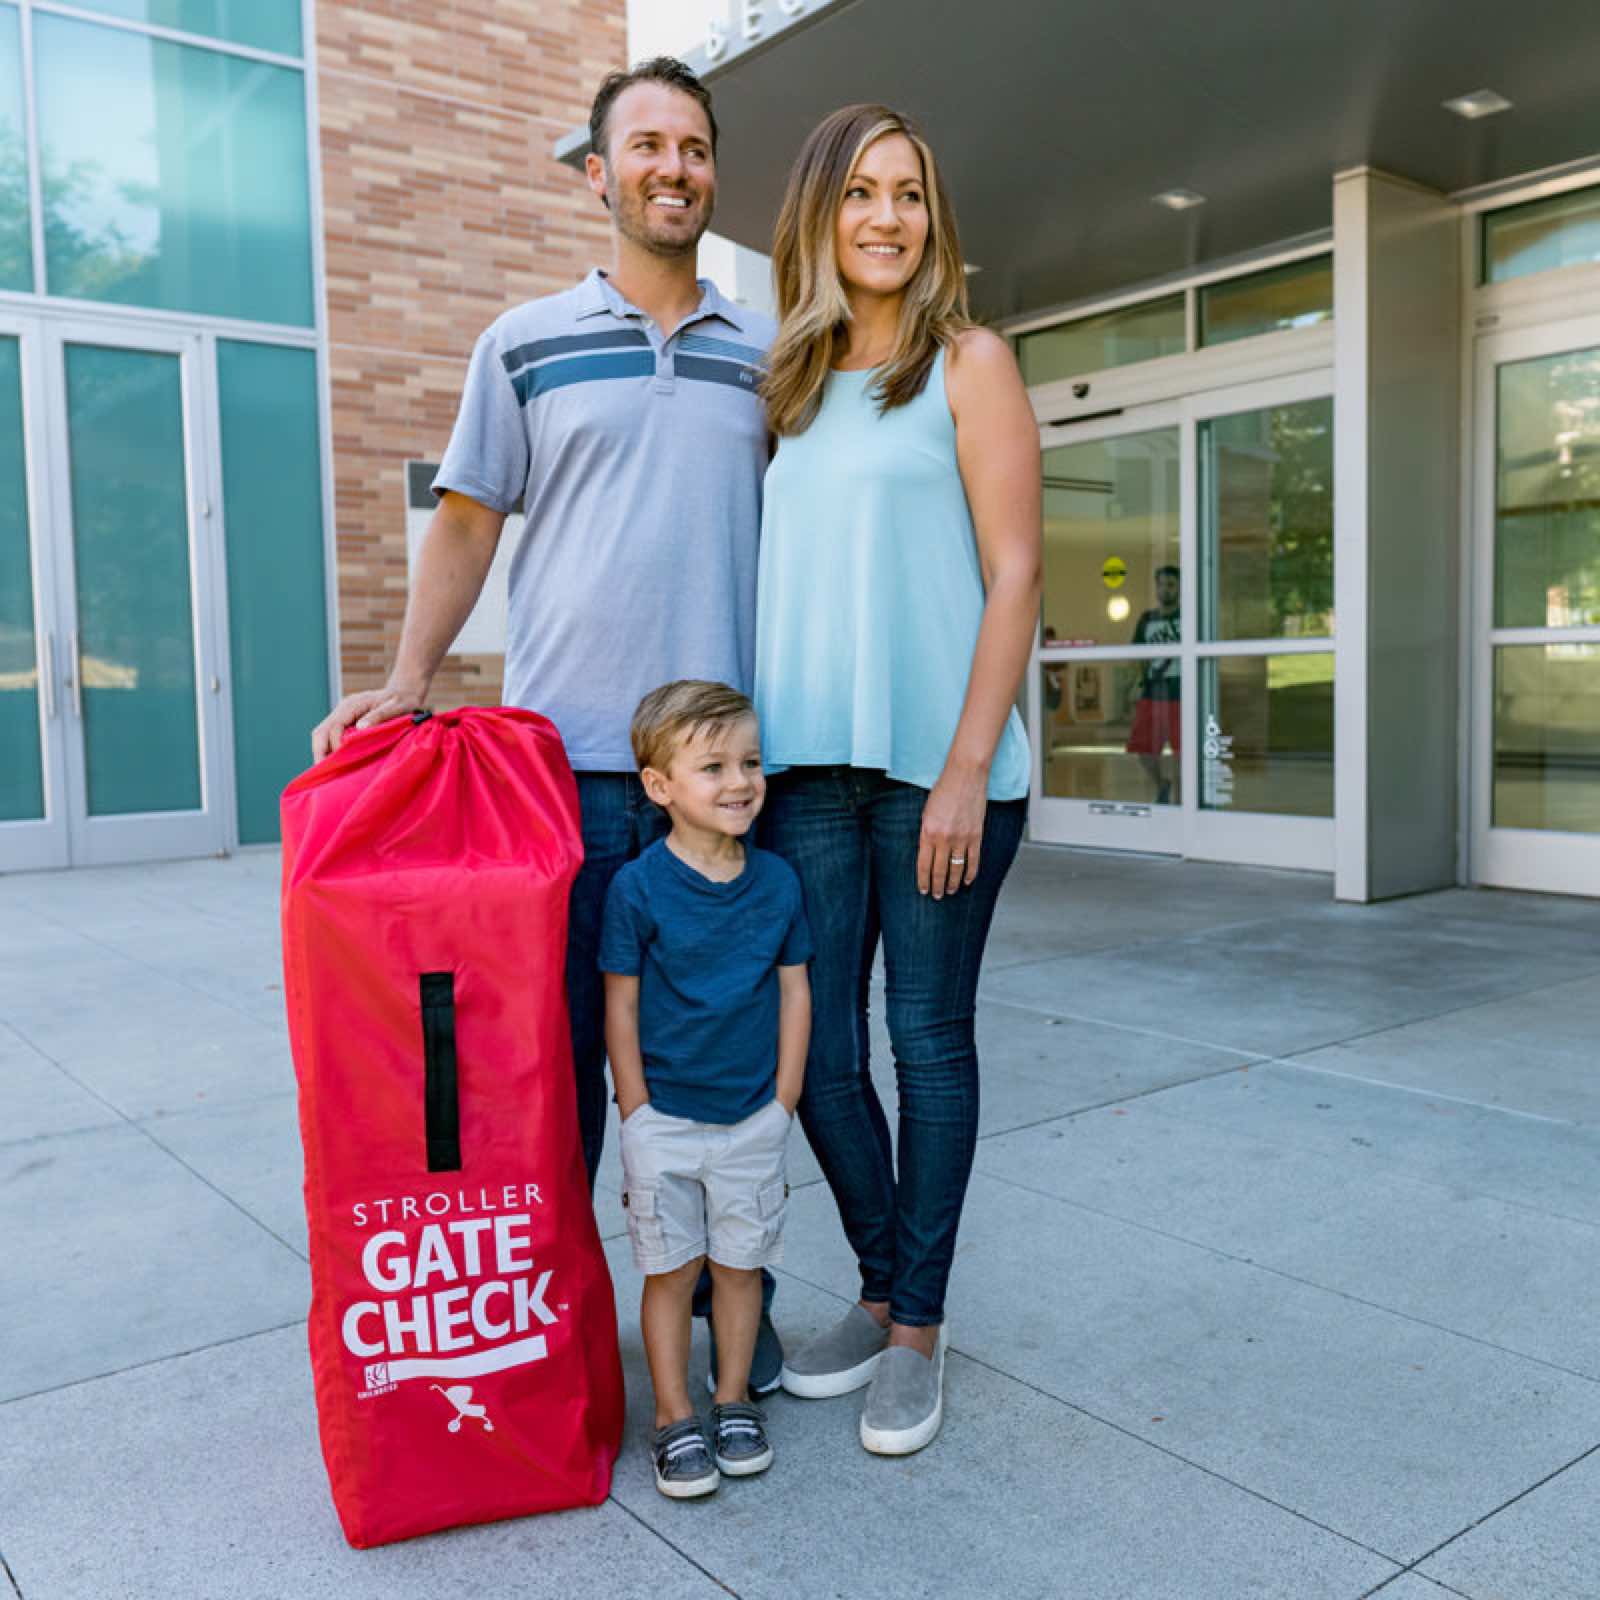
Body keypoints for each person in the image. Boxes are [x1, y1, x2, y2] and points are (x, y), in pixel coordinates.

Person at [309, 58, 787, 1387]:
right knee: (561, 1071)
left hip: (726, 783)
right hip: (564, 781)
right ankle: (555, 1325)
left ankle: (717, 1311)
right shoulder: (522, 342)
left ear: (712, 173)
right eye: (647, 146)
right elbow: (467, 520)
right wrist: (408, 681)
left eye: (693, 147)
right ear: (600, 172)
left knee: (723, 1055)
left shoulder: (768, 350)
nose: (673, 168)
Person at [753, 105, 1041, 1455]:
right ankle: (883, 1282)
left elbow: (1018, 572)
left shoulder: (968, 362)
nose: (886, 217)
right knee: (813, 1058)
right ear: (820, 215)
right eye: (861, 193)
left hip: (942, 770)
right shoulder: (789, 384)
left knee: (927, 1040)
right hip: (806, 772)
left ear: (933, 220)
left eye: (909, 194)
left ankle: (916, 1326)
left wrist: (964, 769)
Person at [601, 681, 811, 1497]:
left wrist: (783, 1102)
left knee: (739, 1270)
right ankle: (673, 1415)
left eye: (751, 762)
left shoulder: (780, 883)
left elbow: (796, 992)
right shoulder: (638, 888)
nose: (740, 781)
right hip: (665, 1124)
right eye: (713, 766)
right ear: (660, 787)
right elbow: (620, 1003)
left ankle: (730, 1402)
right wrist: (636, 1111)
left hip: (752, 1119)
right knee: (668, 1272)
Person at [1125, 564, 1180, 803]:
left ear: (1179, 588)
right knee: (1143, 749)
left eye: (1170, 585)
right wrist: (1135, 684)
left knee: (1183, 751)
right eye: (1161, 585)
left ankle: (1183, 802)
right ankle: (1162, 783)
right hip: (1152, 692)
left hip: (1181, 693)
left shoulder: (1188, 616)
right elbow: (1137, 654)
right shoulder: (1147, 619)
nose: (1164, 590)